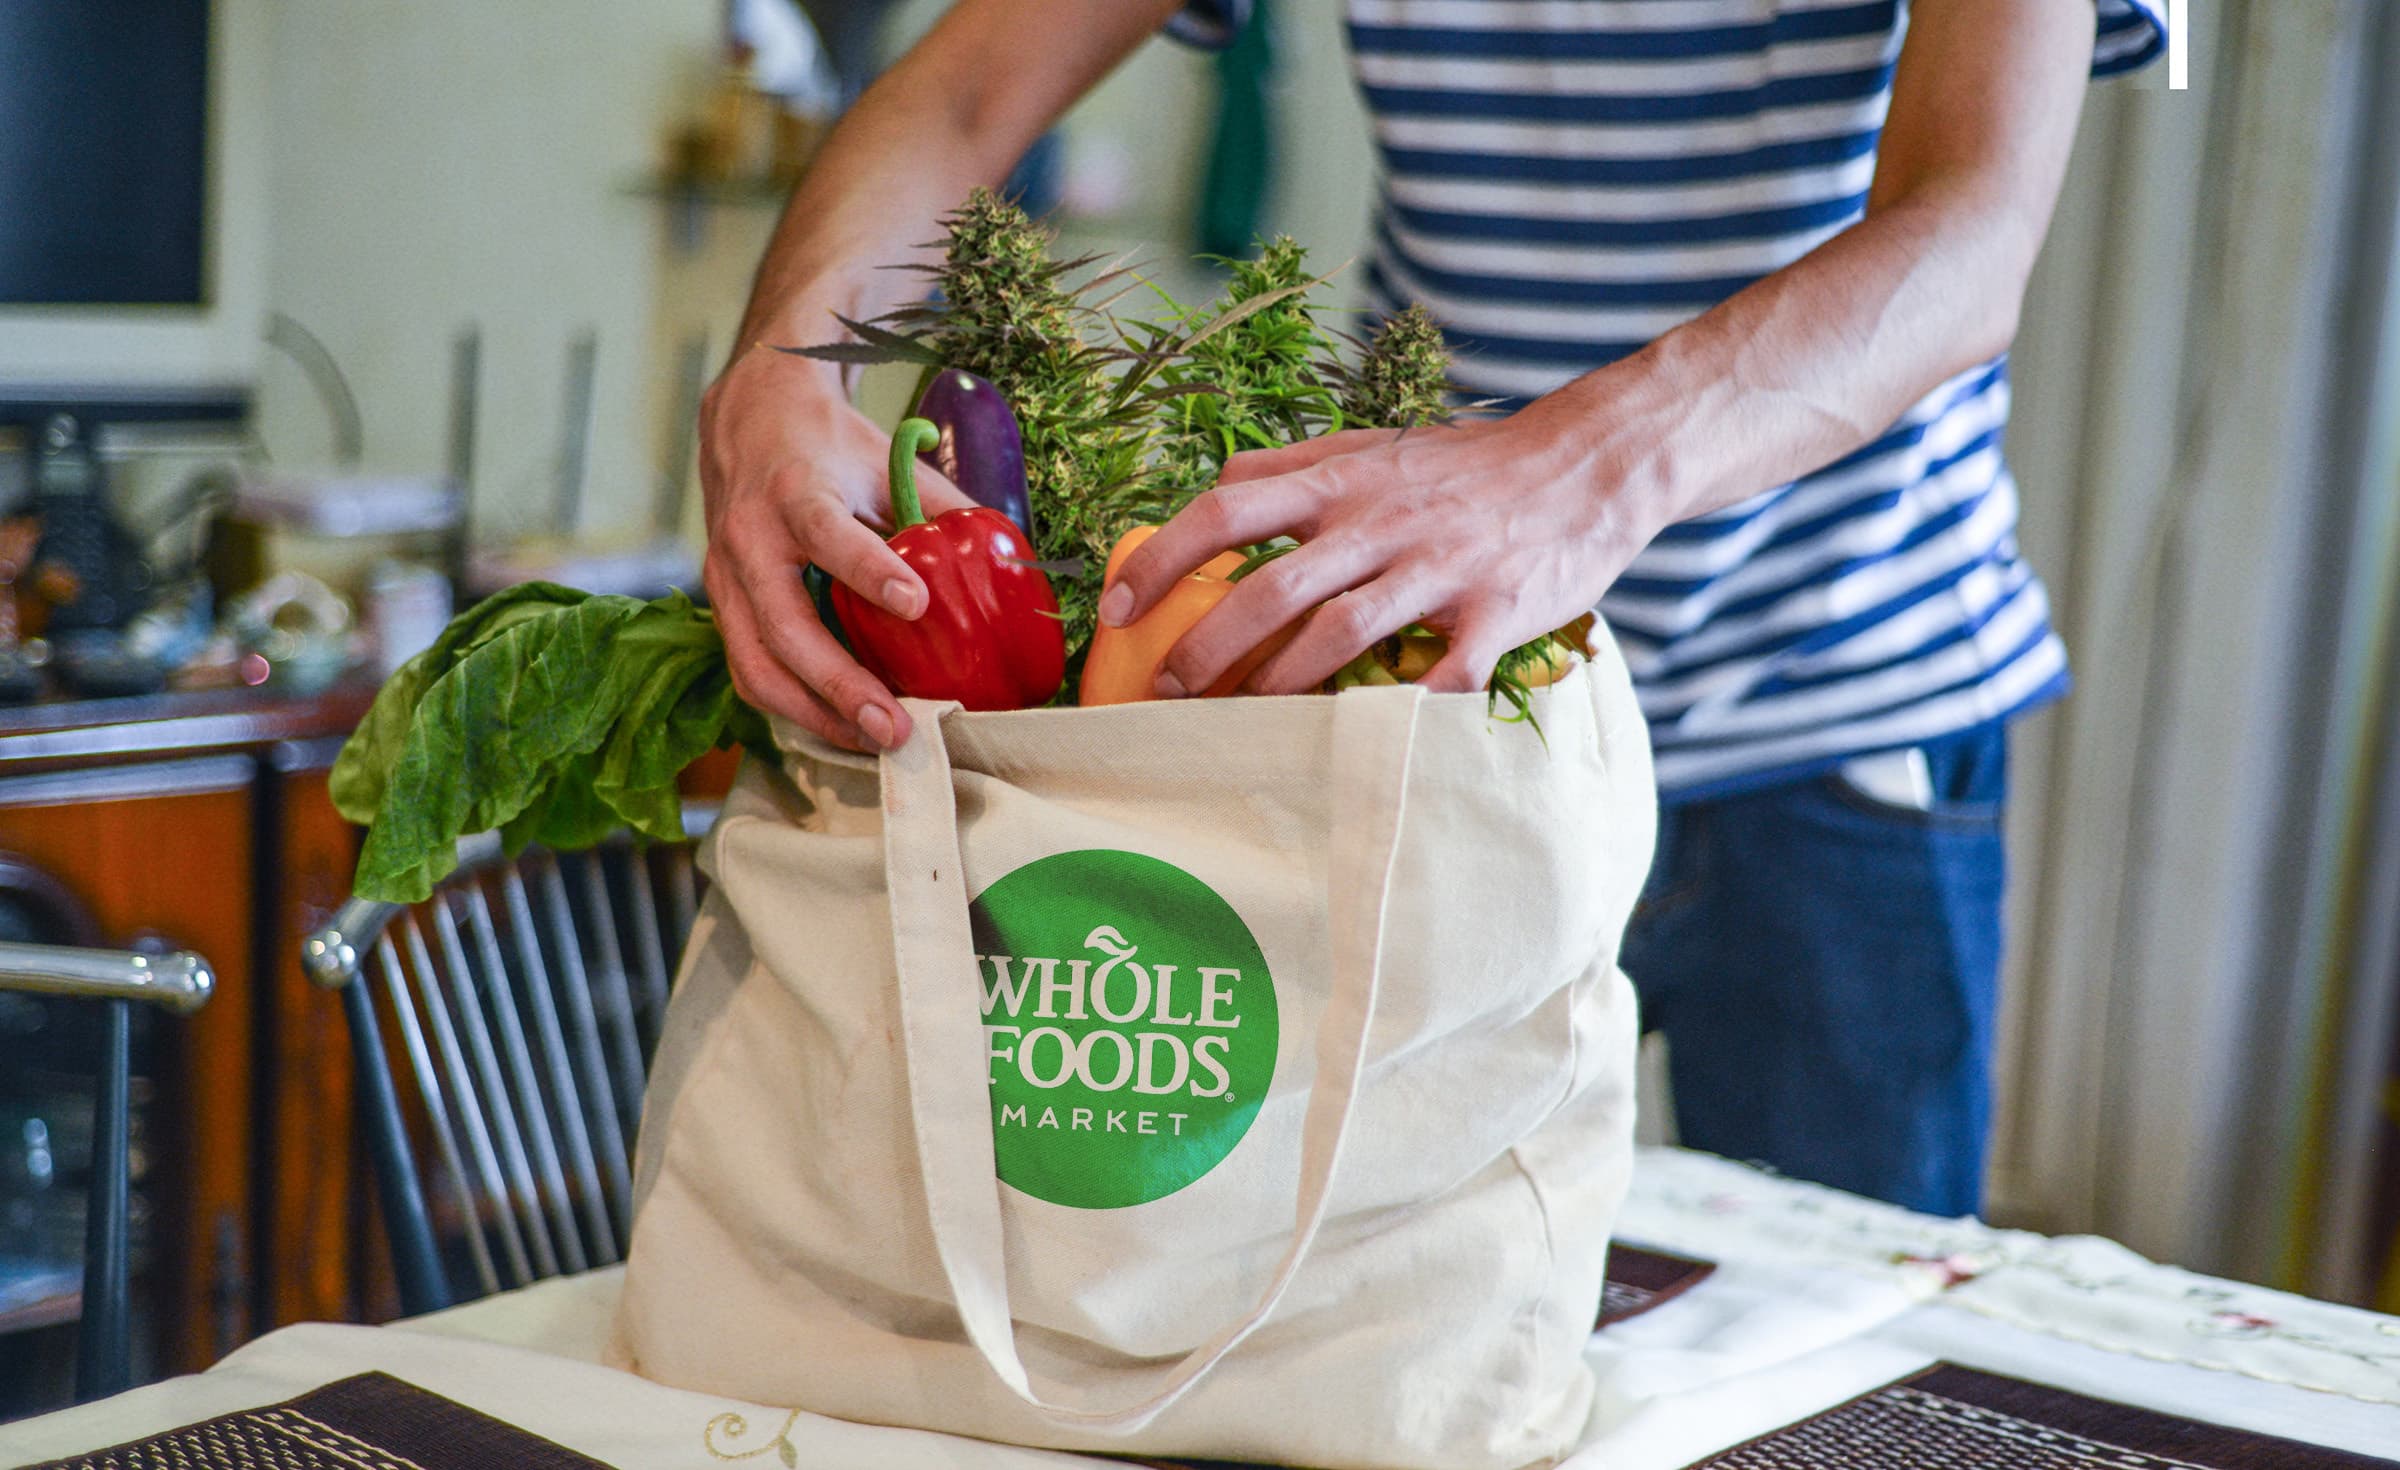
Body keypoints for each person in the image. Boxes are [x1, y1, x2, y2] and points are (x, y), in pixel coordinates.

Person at [698, 0, 2169, 1218]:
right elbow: (963, 96)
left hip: (1838, 711)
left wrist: (1568, 474)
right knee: (1355, 1317)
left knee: (1835, 1354)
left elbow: (1972, 224)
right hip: (1413, 716)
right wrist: (786, 355)